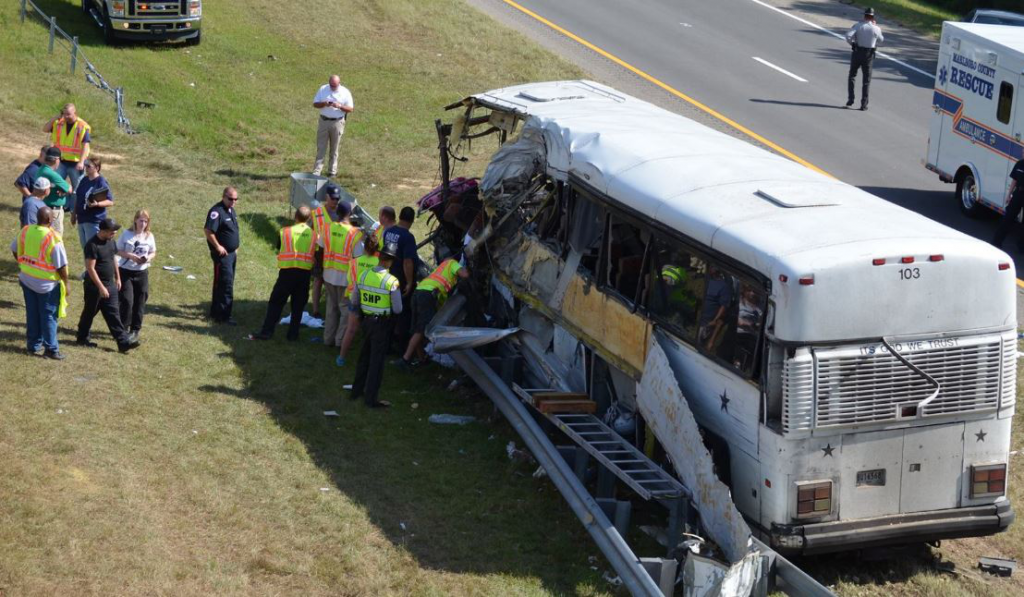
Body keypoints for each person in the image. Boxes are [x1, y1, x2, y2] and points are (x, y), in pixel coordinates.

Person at [349, 242, 403, 408]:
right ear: (390, 261)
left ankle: (356, 391)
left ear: (379, 257)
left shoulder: (363, 275)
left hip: (366, 321)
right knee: (376, 362)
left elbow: (354, 300)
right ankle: (370, 398)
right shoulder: (391, 282)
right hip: (382, 324)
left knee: (364, 357)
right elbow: (398, 309)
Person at [12, 206, 69, 360]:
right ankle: (51, 349)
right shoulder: (53, 238)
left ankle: (33, 345)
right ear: (50, 219)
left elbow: (14, 248)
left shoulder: (25, 231)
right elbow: (61, 265)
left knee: (32, 313)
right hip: (46, 285)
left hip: (26, 279)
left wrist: (22, 262)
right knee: (49, 316)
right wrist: (66, 283)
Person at [252, 207, 316, 341]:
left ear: (295, 216)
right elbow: (315, 251)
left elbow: (279, 247)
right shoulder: (314, 234)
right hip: (304, 275)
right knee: (298, 306)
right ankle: (293, 335)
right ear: (309, 218)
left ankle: (267, 332)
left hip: (287, 273)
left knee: (276, 302)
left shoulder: (285, 232)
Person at [77, 218, 138, 353]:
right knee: (89, 312)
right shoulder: (92, 245)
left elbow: (113, 260)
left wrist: (118, 277)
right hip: (94, 286)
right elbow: (90, 268)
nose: (114, 233)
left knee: (113, 313)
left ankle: (123, 342)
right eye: (112, 231)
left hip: (109, 284)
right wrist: (100, 287)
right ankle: (82, 337)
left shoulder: (110, 242)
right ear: (103, 231)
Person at [399, 256, 469, 368]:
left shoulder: (439, 270)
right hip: (427, 295)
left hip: (418, 292)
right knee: (422, 329)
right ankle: (406, 359)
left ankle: (422, 359)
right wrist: (466, 270)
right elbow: (465, 275)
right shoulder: (452, 263)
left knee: (418, 328)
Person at [320, 199, 360, 348]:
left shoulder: (327, 228)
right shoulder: (355, 234)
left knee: (331, 308)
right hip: (344, 278)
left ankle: (328, 339)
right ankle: (340, 341)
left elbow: (321, 247)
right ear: (350, 214)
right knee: (344, 310)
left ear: (337, 212)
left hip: (328, 274)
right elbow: (358, 256)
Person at [337, 227, 378, 367]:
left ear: (364, 247)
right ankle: (369, 360)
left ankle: (341, 358)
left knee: (351, 329)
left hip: (355, 298)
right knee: (370, 332)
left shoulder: (354, 262)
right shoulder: (379, 264)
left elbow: (350, 279)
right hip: (372, 300)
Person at [116, 210, 156, 344]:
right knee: (127, 301)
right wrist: (130, 256)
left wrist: (147, 258)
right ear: (135, 220)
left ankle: (135, 330)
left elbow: (153, 251)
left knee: (141, 300)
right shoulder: (126, 234)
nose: (143, 224)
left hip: (142, 272)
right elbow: (117, 250)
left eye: (146, 221)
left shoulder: (149, 236)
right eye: (141, 220)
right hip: (126, 271)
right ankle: (123, 327)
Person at [205, 187, 241, 325]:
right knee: (225, 284)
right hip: (222, 255)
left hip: (231, 254)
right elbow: (208, 231)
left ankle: (216, 313)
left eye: (235, 199)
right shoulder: (217, 211)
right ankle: (224, 316)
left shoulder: (231, 210)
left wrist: (235, 246)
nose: (233, 202)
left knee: (225, 282)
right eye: (230, 199)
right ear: (223, 197)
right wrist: (218, 246)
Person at [384, 206, 417, 350]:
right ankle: (402, 346)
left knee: (389, 311)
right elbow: (407, 262)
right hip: (400, 280)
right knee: (403, 313)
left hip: (388, 275)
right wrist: (409, 283)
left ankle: (387, 343)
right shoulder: (408, 237)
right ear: (412, 220)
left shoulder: (388, 232)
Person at [309, 184, 344, 319]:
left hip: (336, 253)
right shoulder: (316, 214)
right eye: (333, 199)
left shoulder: (340, 214)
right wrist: (311, 254)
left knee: (332, 282)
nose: (335, 201)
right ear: (326, 197)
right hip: (320, 252)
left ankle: (333, 309)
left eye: (337, 199)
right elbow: (311, 234)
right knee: (318, 280)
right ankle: (316, 310)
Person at [70, 158, 114, 260]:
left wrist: (97, 204)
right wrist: (74, 214)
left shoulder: (101, 182)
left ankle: (98, 271)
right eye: (85, 165)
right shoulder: (84, 180)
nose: (86, 168)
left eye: (89, 166)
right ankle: (88, 272)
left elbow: (110, 201)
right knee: (85, 248)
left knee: (94, 249)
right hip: (82, 219)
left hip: (94, 220)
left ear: (97, 168)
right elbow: (79, 197)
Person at [311, 75, 354, 177]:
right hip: (324, 121)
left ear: (339, 83)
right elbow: (315, 104)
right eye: (331, 85)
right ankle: (317, 171)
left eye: (334, 86)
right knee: (321, 146)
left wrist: (340, 106)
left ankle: (332, 171)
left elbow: (350, 109)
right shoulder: (323, 89)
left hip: (337, 122)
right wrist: (324, 103)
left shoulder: (345, 92)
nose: (332, 87)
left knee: (334, 148)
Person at [44, 103, 91, 191]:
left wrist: (81, 162)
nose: (66, 116)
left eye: (68, 114)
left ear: (75, 112)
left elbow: (86, 146)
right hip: (61, 161)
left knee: (77, 188)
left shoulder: (82, 126)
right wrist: (55, 118)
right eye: (64, 114)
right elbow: (45, 129)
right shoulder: (59, 123)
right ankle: (56, 204)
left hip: (75, 163)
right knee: (55, 184)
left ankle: (75, 205)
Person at [845, 8, 883, 111]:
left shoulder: (858, 25)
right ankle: (863, 104)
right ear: (873, 17)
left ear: (864, 16)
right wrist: (874, 43)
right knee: (866, 81)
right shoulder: (876, 28)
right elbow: (881, 40)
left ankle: (850, 99)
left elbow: (848, 36)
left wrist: (853, 44)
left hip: (857, 52)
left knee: (852, 75)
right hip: (868, 55)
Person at [35, 147, 72, 234]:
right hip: (53, 212)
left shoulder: (41, 170)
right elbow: (70, 189)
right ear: (56, 159)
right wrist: (64, 188)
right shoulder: (52, 175)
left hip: (42, 210)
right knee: (55, 239)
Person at [993, 158, 1024, 251]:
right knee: (1008, 218)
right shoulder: (1020, 164)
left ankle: (1021, 246)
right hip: (1018, 194)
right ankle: (996, 242)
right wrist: (1009, 194)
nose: (1023, 151)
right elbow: (1014, 180)